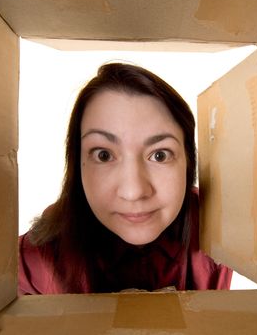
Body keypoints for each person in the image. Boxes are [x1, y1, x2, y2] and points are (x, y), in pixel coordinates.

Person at [18, 62, 232, 295]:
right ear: (77, 164)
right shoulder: (36, 259)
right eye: (104, 155)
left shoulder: (222, 228)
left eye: (160, 155)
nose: (134, 191)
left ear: (188, 162)